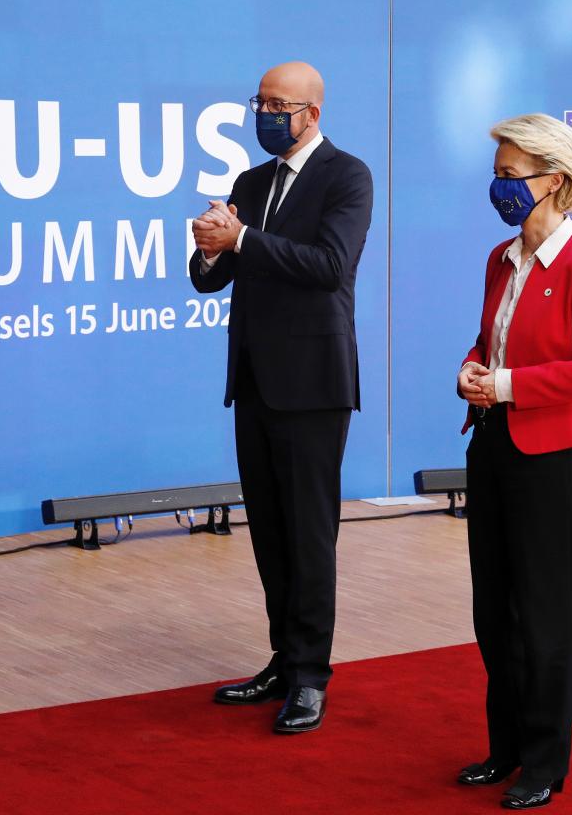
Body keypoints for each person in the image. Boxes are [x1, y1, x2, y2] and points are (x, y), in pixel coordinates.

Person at [189, 61, 373, 734]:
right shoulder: (251, 181)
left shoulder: (346, 176)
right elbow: (214, 279)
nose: (264, 113)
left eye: (277, 104)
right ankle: (281, 658)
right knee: (269, 530)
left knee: (308, 533)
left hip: (315, 383)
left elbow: (329, 267)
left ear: (312, 113)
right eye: (258, 101)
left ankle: (310, 676)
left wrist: (244, 240)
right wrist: (212, 248)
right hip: (256, 380)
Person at [454, 114, 572, 809]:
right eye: (496, 175)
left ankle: (546, 763)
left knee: (544, 614)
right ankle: (506, 748)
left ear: (554, 180)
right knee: (493, 610)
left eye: (511, 175)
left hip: (553, 459)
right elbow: (489, 341)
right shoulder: (501, 260)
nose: (500, 187)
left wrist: (508, 386)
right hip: (493, 445)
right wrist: (473, 370)